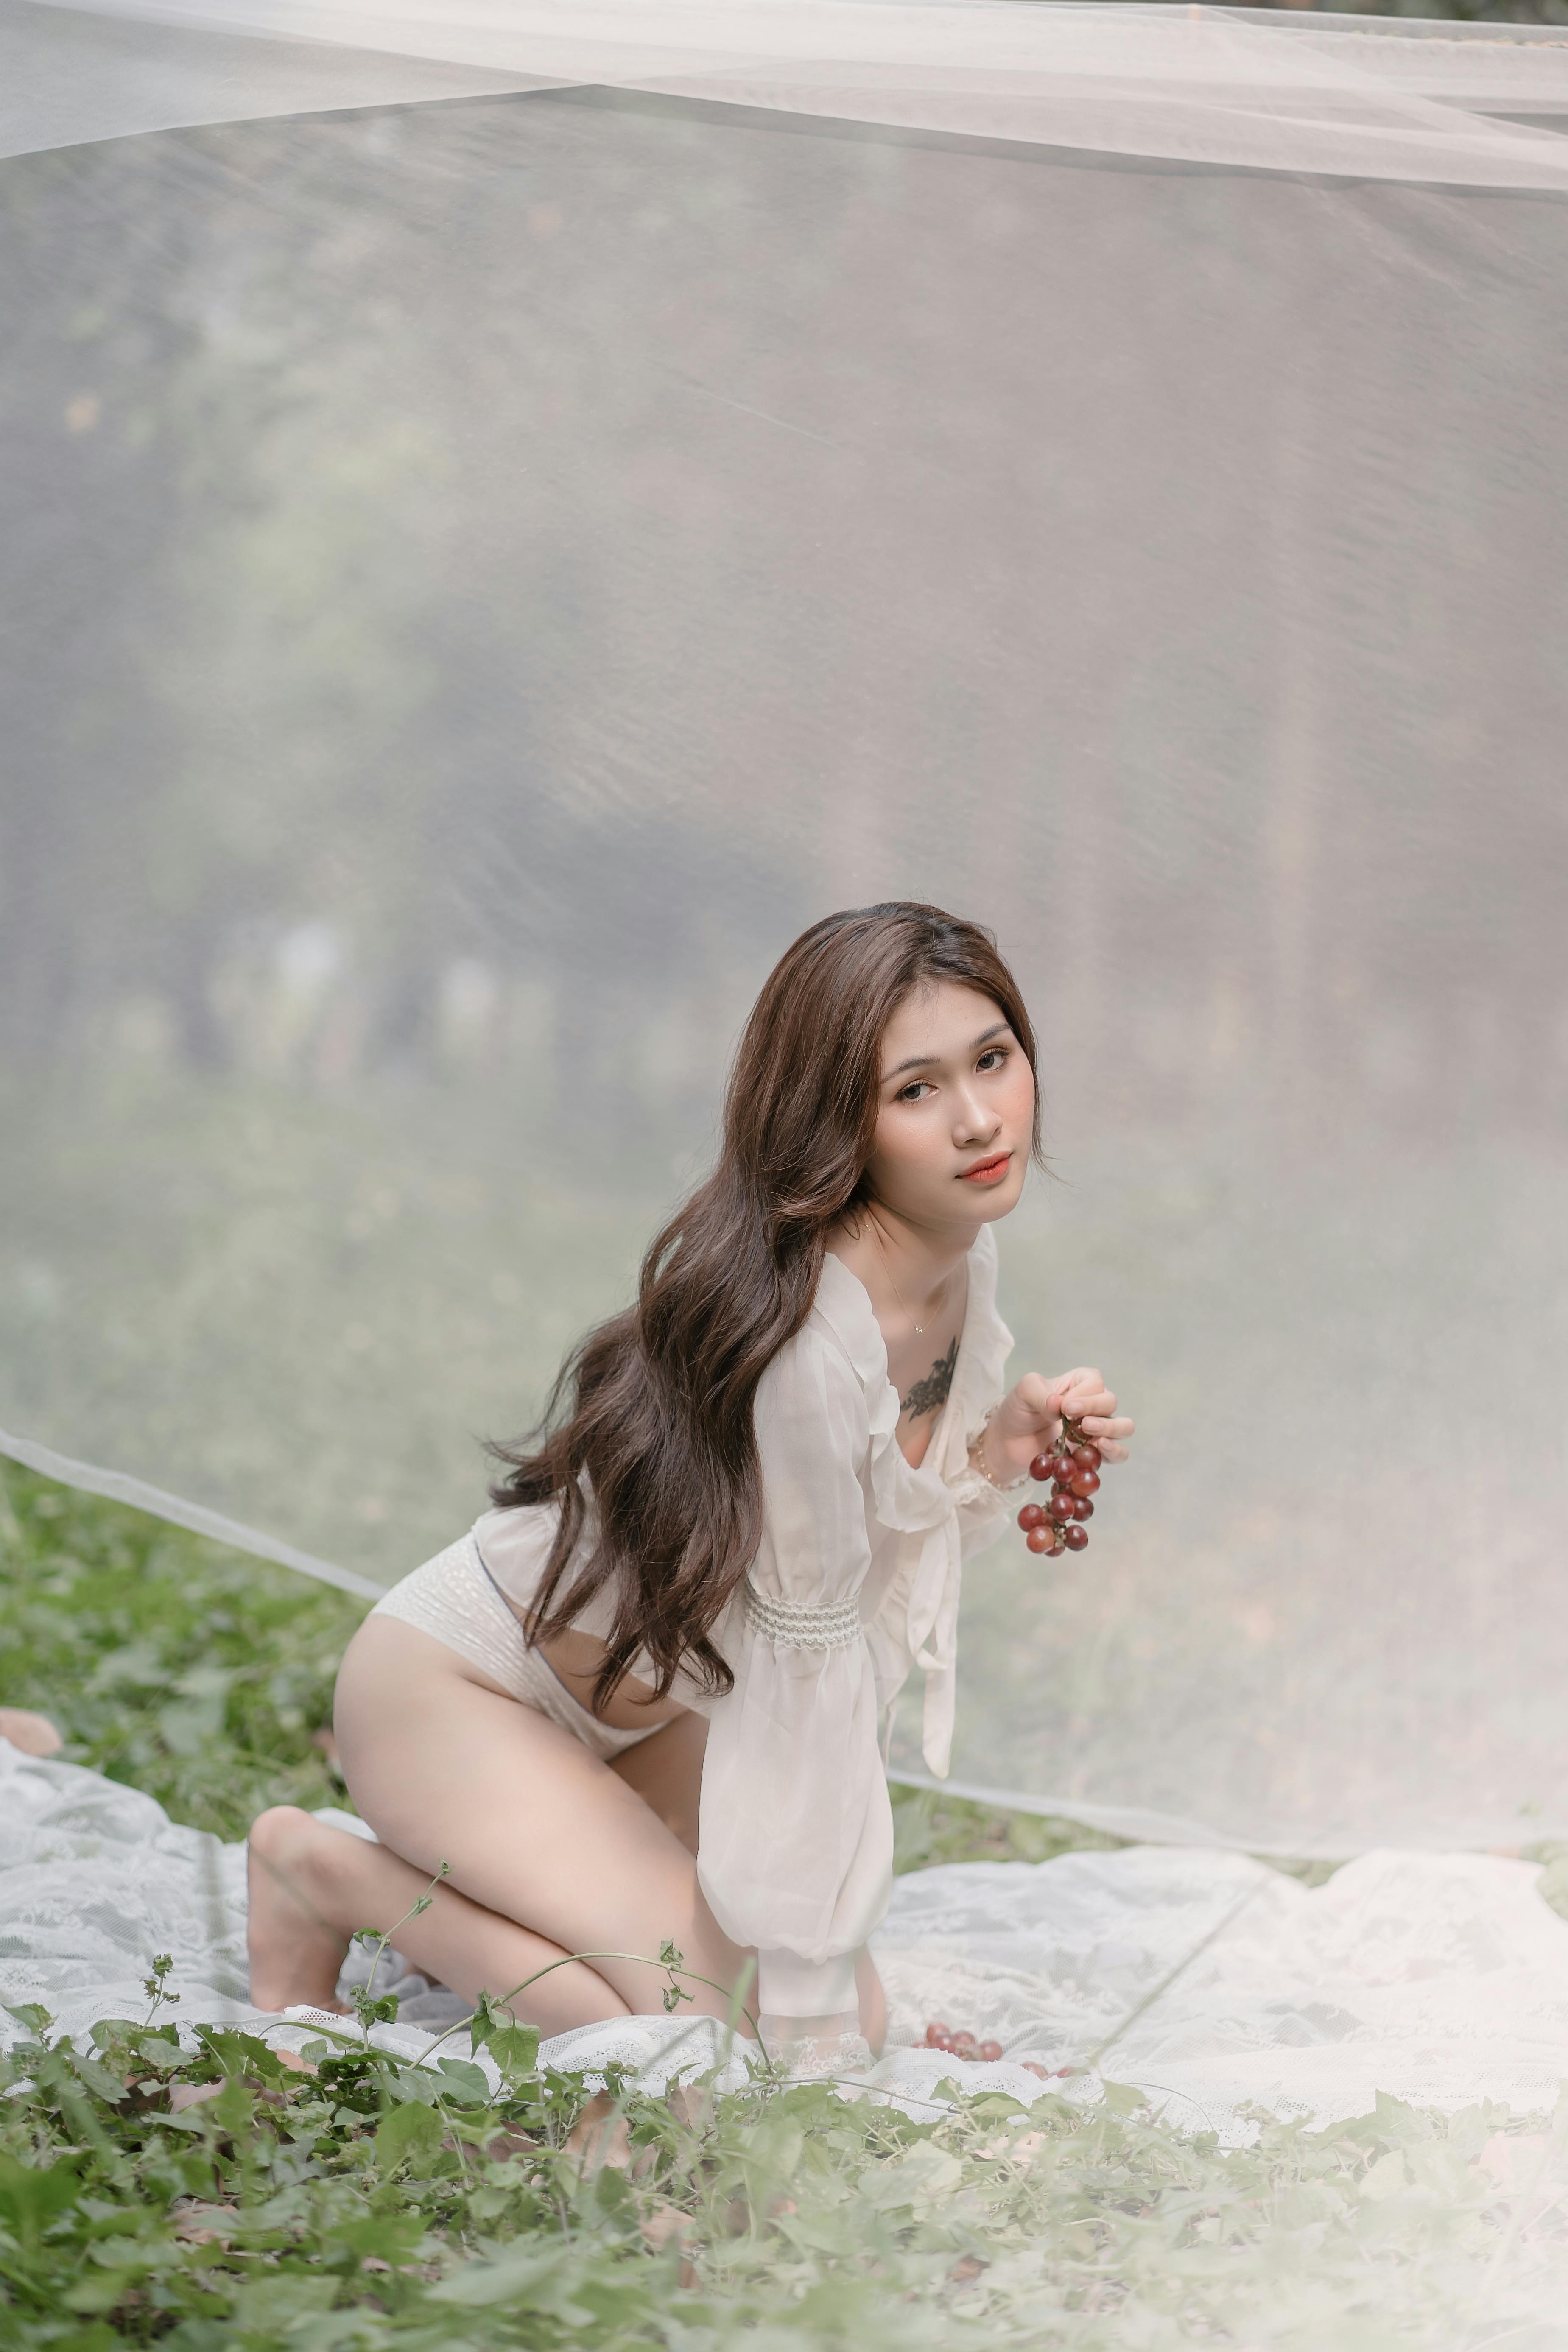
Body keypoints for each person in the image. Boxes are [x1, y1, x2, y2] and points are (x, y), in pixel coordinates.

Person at [246, 904, 1133, 2069]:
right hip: (462, 1689)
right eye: (913, 1089)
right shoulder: (814, 1334)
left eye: (991, 1057)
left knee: (814, 2016)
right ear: (834, 1118)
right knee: (716, 2031)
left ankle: (505, 1893)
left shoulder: (959, 1251)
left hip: (654, 1701)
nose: (977, 1118)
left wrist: (991, 1455)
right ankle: (323, 1872)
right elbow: (807, 1671)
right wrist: (809, 2018)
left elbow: (866, 1542)